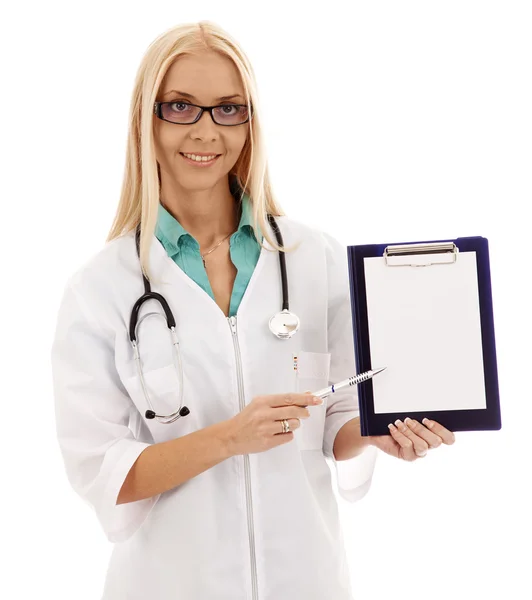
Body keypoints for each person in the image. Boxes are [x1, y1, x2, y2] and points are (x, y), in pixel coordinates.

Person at [50, 20, 455, 600]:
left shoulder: (313, 258)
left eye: (228, 109)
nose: (207, 131)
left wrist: (374, 434)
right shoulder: (101, 289)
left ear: (251, 121)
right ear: (148, 117)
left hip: (307, 579)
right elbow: (104, 476)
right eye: (181, 107)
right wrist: (228, 438)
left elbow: (336, 415)